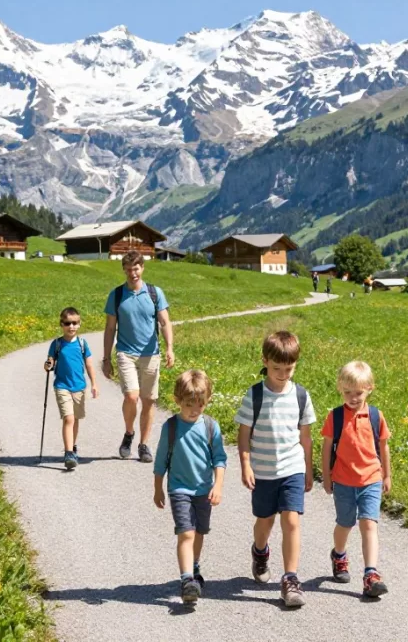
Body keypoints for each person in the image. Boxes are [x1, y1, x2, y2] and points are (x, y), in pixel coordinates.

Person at [235, 331, 316, 608]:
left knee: (291, 520)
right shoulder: (255, 395)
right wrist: (245, 464)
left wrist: (308, 468)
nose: (283, 374)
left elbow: (305, 437)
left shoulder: (301, 395)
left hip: (292, 467)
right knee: (265, 521)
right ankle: (260, 551)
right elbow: (244, 434)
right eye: (277, 368)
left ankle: (290, 579)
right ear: (265, 361)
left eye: (289, 369)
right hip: (263, 470)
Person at [153, 370, 228, 606]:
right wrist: (158, 488)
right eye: (188, 405)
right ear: (177, 401)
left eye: (200, 405)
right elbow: (160, 462)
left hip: (204, 490)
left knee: (199, 532)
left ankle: (194, 566)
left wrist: (218, 486)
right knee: (186, 532)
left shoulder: (210, 427)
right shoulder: (171, 427)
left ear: (207, 401)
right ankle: (187, 580)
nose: (194, 410)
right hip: (179, 489)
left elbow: (220, 459)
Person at [321, 361, 392, 598]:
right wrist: (327, 476)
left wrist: (387, 474)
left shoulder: (375, 416)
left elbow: (383, 447)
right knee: (345, 523)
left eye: (358, 393)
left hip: (371, 478)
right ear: (340, 389)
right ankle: (339, 555)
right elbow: (327, 447)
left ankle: (370, 574)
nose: (353, 397)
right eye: (347, 392)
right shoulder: (336, 416)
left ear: (370, 388)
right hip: (343, 481)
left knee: (368, 523)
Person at [103, 251, 175, 463]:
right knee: (131, 396)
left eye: (136, 268)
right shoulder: (116, 295)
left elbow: (165, 322)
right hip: (126, 353)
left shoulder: (154, 293)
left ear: (142, 268)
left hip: (151, 354)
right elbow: (109, 329)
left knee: (149, 401)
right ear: (124, 270)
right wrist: (106, 359)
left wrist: (170, 347)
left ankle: (144, 445)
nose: (132, 273)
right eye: (128, 269)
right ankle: (128, 434)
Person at [44, 307, 99, 470]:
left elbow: (89, 364)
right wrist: (48, 365)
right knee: (68, 418)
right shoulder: (57, 344)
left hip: (79, 387)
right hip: (62, 386)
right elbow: (50, 361)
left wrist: (94, 383)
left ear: (79, 324)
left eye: (75, 323)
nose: (71, 326)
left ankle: (72, 447)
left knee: (75, 419)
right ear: (61, 324)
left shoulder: (82, 344)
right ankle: (68, 453)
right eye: (67, 323)